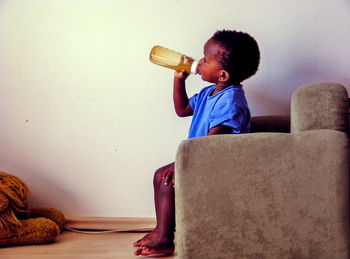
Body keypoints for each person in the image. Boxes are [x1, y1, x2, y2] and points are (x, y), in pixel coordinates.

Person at [134, 29, 260, 256]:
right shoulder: (208, 93)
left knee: (166, 180)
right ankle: (161, 230)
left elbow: (213, 144)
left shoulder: (230, 100)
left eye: (205, 60)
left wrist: (181, 164)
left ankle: (165, 239)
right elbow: (182, 110)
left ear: (222, 75)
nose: (198, 63)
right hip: (200, 158)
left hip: (217, 163)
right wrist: (177, 79)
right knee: (159, 175)